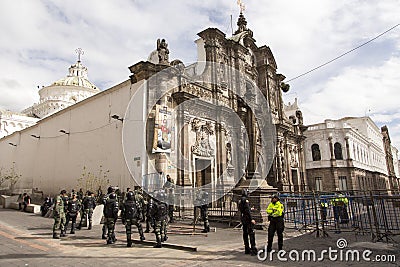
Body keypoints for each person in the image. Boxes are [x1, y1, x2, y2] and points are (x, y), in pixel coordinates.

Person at [238, 189, 257, 255]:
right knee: (251, 233)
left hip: (243, 218)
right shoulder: (246, 201)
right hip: (248, 219)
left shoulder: (240, 201)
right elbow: (248, 211)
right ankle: (253, 249)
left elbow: (242, 209)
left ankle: (247, 248)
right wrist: (251, 219)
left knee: (245, 234)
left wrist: (249, 208)